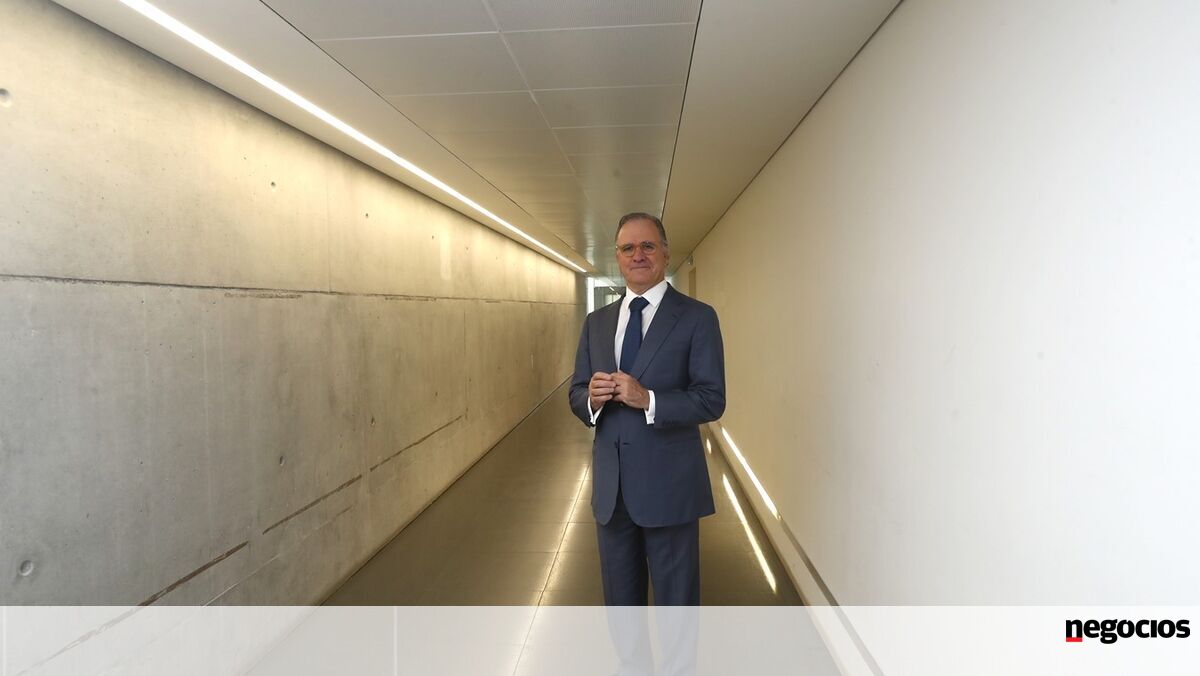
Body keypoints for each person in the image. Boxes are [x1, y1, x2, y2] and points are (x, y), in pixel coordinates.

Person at [568, 212, 726, 606]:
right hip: (612, 495)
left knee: (677, 609)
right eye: (628, 248)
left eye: (647, 246)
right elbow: (576, 392)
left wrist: (649, 399)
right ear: (617, 257)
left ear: (665, 253)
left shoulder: (697, 317)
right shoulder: (597, 323)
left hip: (670, 490)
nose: (637, 255)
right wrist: (592, 399)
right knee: (622, 609)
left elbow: (711, 398)